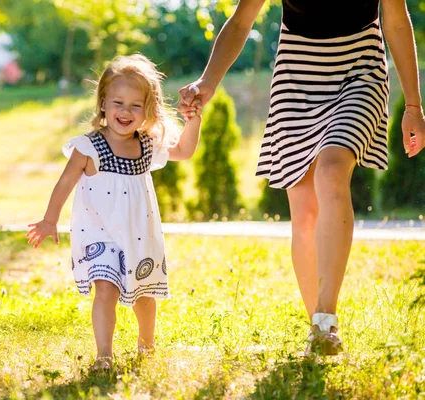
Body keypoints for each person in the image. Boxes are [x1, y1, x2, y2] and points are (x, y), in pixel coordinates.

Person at [179, 0, 425, 355]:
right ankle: (318, 331)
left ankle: (327, 318)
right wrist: (208, 81)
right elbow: (241, 20)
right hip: (297, 78)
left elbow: (397, 22)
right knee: (305, 214)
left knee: (331, 169)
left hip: (360, 72)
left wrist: (414, 106)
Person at [27, 54, 202, 369]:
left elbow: (185, 151)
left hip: (139, 235)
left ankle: (146, 346)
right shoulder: (88, 146)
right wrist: (49, 219)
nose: (126, 111)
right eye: (119, 102)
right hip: (100, 233)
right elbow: (65, 182)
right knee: (104, 290)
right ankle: (104, 355)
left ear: (148, 111)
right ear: (103, 103)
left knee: (143, 296)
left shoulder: (147, 145)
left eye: (136, 105)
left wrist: (194, 121)